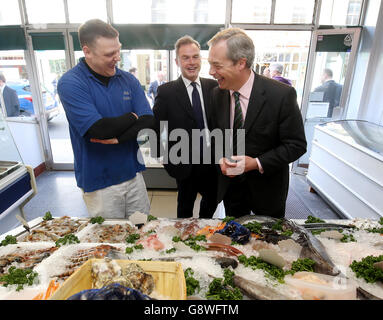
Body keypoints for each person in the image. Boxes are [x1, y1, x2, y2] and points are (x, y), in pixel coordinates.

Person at [57, 19, 155, 219]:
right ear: (87, 51)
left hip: (133, 173)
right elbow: (99, 129)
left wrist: (119, 138)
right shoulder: (71, 83)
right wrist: (132, 116)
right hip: (100, 182)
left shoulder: (128, 79)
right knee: (111, 240)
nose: (117, 58)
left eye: (118, 50)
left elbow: (148, 121)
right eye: (109, 54)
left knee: (143, 230)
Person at [207, 28, 307, 218]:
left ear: (241, 63)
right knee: (236, 243)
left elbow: (296, 145)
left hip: (267, 192)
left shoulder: (281, 95)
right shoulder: (217, 94)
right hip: (232, 192)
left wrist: (256, 163)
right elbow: (216, 135)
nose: (211, 72)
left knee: (268, 244)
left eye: (217, 66)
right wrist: (221, 157)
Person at [152, 36, 218, 219]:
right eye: (186, 57)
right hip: (183, 162)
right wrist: (163, 156)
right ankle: (184, 240)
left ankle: (205, 232)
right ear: (177, 61)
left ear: (201, 59)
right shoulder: (166, 91)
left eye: (195, 57)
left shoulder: (214, 87)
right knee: (184, 208)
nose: (191, 62)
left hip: (212, 161)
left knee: (212, 201)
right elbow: (155, 127)